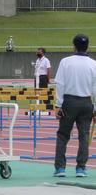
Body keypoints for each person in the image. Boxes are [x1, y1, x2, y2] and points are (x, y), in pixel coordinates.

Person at [53, 34, 96, 178]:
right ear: (88, 46)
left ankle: (60, 168)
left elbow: (60, 83)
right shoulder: (93, 64)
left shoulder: (65, 62)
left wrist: (58, 105)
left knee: (63, 135)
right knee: (84, 136)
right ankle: (81, 168)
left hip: (69, 102)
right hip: (86, 103)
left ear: (74, 46)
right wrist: (95, 108)